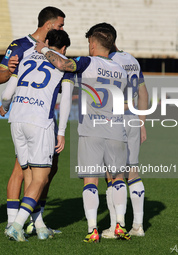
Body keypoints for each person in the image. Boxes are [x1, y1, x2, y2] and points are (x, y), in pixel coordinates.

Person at [35, 27, 128, 242]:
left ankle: (92, 229)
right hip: (116, 130)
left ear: (93, 45)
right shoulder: (121, 70)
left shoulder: (88, 62)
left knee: (90, 181)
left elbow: (63, 64)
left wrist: (43, 50)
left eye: (89, 44)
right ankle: (119, 226)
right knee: (117, 179)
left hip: (91, 131)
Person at [0, 6, 65, 235]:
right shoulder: (20, 46)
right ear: (50, 24)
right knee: (25, 171)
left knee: (45, 170)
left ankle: (38, 223)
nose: (63, 28)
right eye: (61, 25)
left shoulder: (49, 51)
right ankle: (13, 222)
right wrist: (10, 69)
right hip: (36, 118)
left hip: (24, 116)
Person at [85, 23, 148, 239]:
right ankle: (138, 225)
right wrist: (142, 122)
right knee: (133, 172)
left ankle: (116, 226)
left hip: (114, 121)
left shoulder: (106, 62)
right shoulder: (131, 60)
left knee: (113, 176)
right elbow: (143, 92)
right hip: (132, 118)